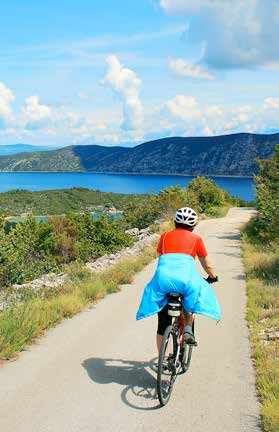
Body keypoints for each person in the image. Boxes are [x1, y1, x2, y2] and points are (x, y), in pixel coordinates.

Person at [136, 207, 221, 352]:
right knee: (189, 303)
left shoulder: (164, 236)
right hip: (186, 280)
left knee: (162, 324)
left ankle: (161, 360)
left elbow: (163, 257)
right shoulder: (197, 239)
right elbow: (207, 265)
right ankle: (188, 329)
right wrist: (213, 276)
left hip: (162, 280)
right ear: (193, 225)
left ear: (175, 222)